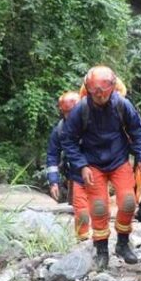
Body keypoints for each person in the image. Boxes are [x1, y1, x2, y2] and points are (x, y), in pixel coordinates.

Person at [62, 66, 141, 269]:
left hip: (119, 160)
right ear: (89, 91)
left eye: (103, 93)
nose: (99, 97)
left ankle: (122, 242)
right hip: (92, 163)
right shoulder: (81, 109)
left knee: (128, 202)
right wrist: (81, 165)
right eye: (95, 93)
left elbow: (137, 130)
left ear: (111, 89)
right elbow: (69, 141)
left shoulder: (122, 104)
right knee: (100, 206)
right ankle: (101, 249)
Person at [46, 91, 89, 240]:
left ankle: (103, 242)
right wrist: (53, 182)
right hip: (76, 176)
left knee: (99, 208)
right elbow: (52, 155)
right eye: (66, 113)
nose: (69, 116)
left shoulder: (94, 124)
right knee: (80, 210)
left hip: (98, 172)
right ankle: (82, 241)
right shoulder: (60, 130)